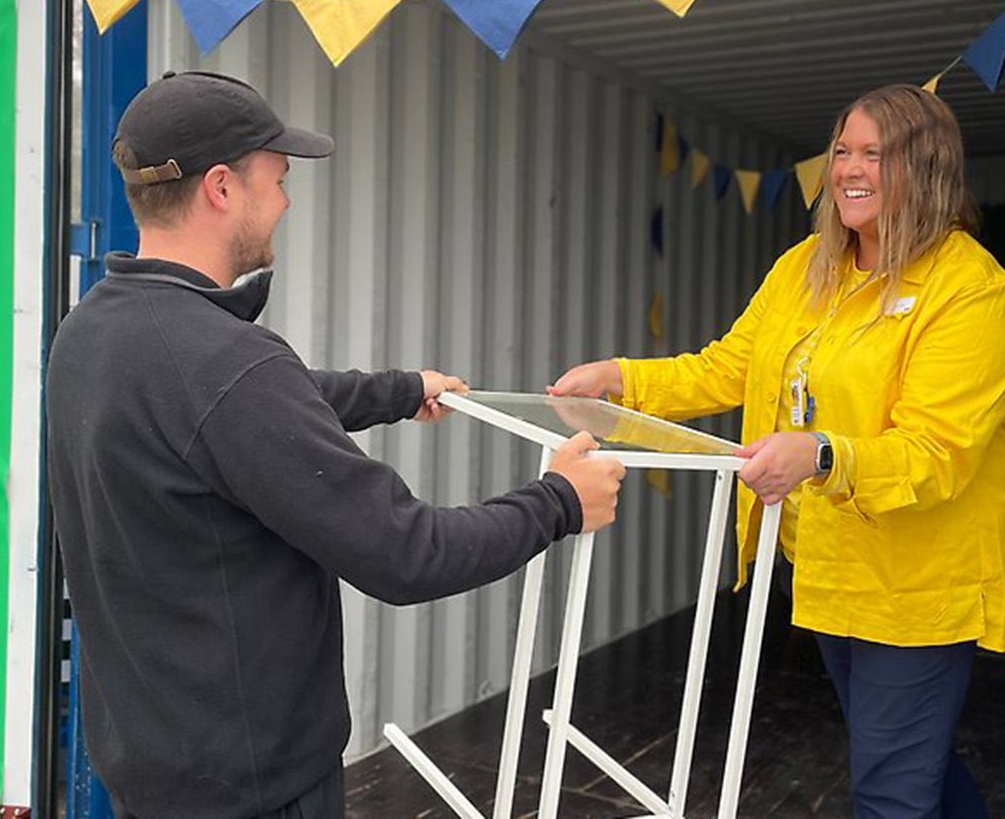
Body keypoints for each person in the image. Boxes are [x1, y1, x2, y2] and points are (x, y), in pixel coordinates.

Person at [46, 70, 625, 819]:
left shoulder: (90, 332)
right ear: (222, 188)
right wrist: (560, 501)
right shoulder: (227, 365)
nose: (285, 202)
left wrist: (399, 388)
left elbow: (234, 412)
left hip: (155, 771)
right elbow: (406, 552)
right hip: (257, 789)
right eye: (277, 180)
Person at [550, 84, 1005, 819]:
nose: (850, 168)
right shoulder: (807, 266)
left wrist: (822, 454)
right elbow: (730, 365)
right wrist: (621, 377)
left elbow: (937, 451)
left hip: (917, 583)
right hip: (823, 564)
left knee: (890, 785)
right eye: (842, 150)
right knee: (902, 754)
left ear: (926, 169)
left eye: (876, 152)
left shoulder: (973, 293)